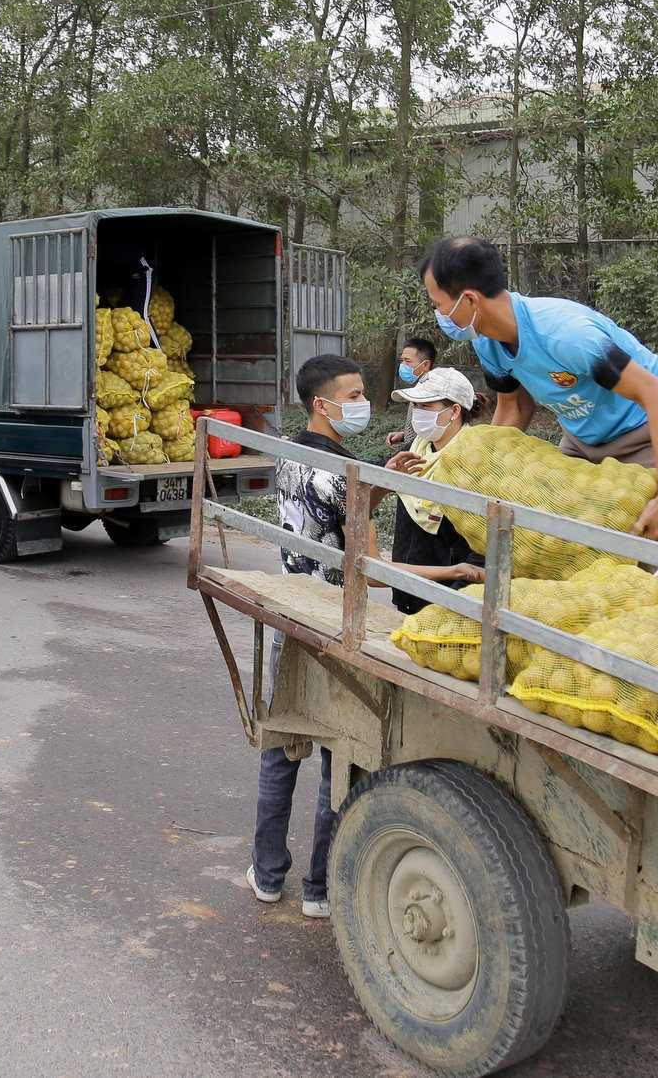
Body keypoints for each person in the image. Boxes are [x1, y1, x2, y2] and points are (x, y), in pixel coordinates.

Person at [249, 354, 418, 920]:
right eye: (353, 395)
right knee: (337, 754)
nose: (362, 402)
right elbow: (362, 550)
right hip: (337, 619)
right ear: (323, 404)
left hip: (293, 611)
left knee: (283, 748)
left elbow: (336, 510)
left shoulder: (300, 455)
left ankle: (268, 875)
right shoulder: (337, 472)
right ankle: (320, 890)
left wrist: (379, 480)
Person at [419, 236, 658, 539]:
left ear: (469, 300)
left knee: (647, 544)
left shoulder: (566, 335)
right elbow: (514, 407)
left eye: (438, 304)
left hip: (643, 429)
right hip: (581, 434)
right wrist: (483, 471)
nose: (439, 315)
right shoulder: (487, 343)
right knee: (564, 538)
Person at [387, 367, 490, 614]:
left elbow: (483, 545)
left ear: (454, 411)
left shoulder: (476, 462)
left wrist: (455, 599)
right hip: (408, 588)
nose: (417, 413)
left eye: (426, 406)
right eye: (415, 406)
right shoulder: (416, 449)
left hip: (448, 600)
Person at [383, 337, 441, 449]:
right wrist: (404, 436)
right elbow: (423, 431)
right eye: (402, 361)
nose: (403, 365)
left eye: (407, 361)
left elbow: (434, 435)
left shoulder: (433, 395)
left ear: (425, 365)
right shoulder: (419, 389)